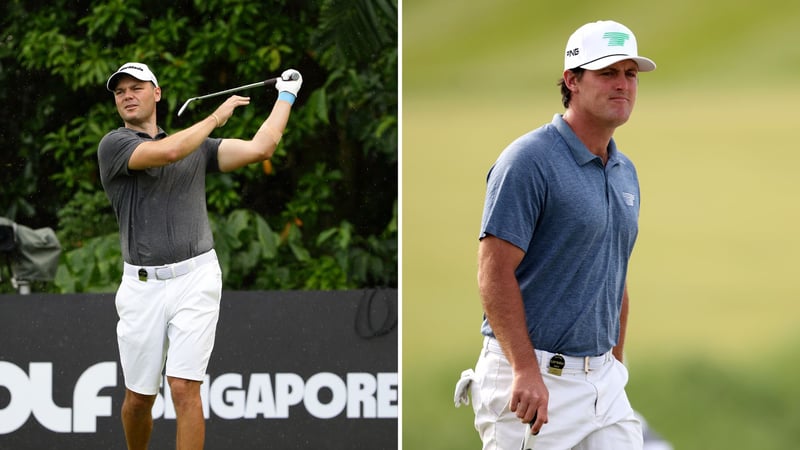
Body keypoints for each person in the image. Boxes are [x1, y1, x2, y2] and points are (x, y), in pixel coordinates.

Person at [462, 20, 656, 449]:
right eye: (607, 73)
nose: (622, 85)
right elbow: (494, 273)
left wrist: (614, 364)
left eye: (630, 74)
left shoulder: (625, 171)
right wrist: (524, 369)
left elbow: (614, 271)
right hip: (532, 384)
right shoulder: (528, 161)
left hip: (602, 386)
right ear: (572, 80)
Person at [97, 62, 302, 450]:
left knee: (184, 388)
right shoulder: (115, 145)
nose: (127, 95)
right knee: (138, 400)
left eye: (136, 87)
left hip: (197, 278)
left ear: (156, 94)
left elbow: (262, 147)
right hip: (141, 288)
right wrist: (216, 117)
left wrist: (286, 95)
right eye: (120, 91)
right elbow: (169, 150)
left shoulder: (199, 149)